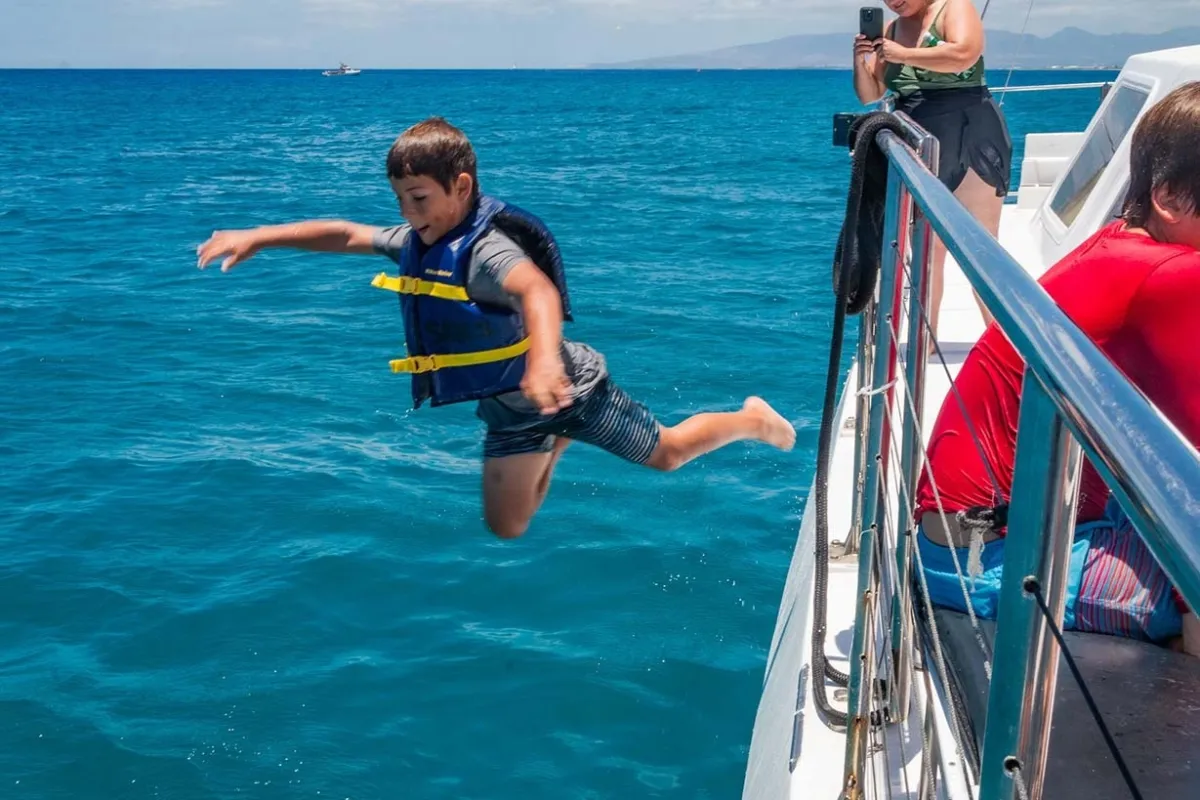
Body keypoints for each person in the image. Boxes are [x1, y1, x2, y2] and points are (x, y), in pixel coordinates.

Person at [196, 118, 796, 539]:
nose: (408, 213)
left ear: (461, 188)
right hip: (514, 409)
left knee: (667, 454)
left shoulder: (486, 253)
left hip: (568, 386)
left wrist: (541, 362)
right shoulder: (418, 240)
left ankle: (751, 419)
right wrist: (259, 236)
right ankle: (554, 442)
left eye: (420, 198)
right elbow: (349, 234)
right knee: (507, 526)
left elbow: (535, 289)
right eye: (400, 198)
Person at [912, 82, 1200, 653]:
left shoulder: (1120, 247)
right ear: (1169, 197)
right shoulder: (1164, 277)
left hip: (964, 533)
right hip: (992, 559)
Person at [852, 0, 1012, 340]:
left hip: (969, 133)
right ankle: (925, 342)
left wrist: (903, 55)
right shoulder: (892, 29)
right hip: (919, 140)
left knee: (980, 247)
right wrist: (861, 59)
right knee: (927, 253)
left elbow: (966, 53)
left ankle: (1009, 347)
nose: (894, 2)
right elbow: (871, 95)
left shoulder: (953, 7)